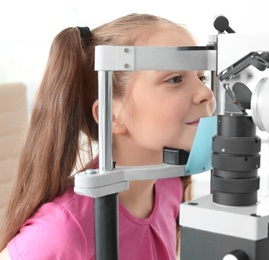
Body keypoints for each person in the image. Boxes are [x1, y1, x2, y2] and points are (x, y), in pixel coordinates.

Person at [0, 13, 215, 259]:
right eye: (175, 79)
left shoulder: (170, 185)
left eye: (201, 77)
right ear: (112, 115)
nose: (205, 93)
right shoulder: (63, 229)